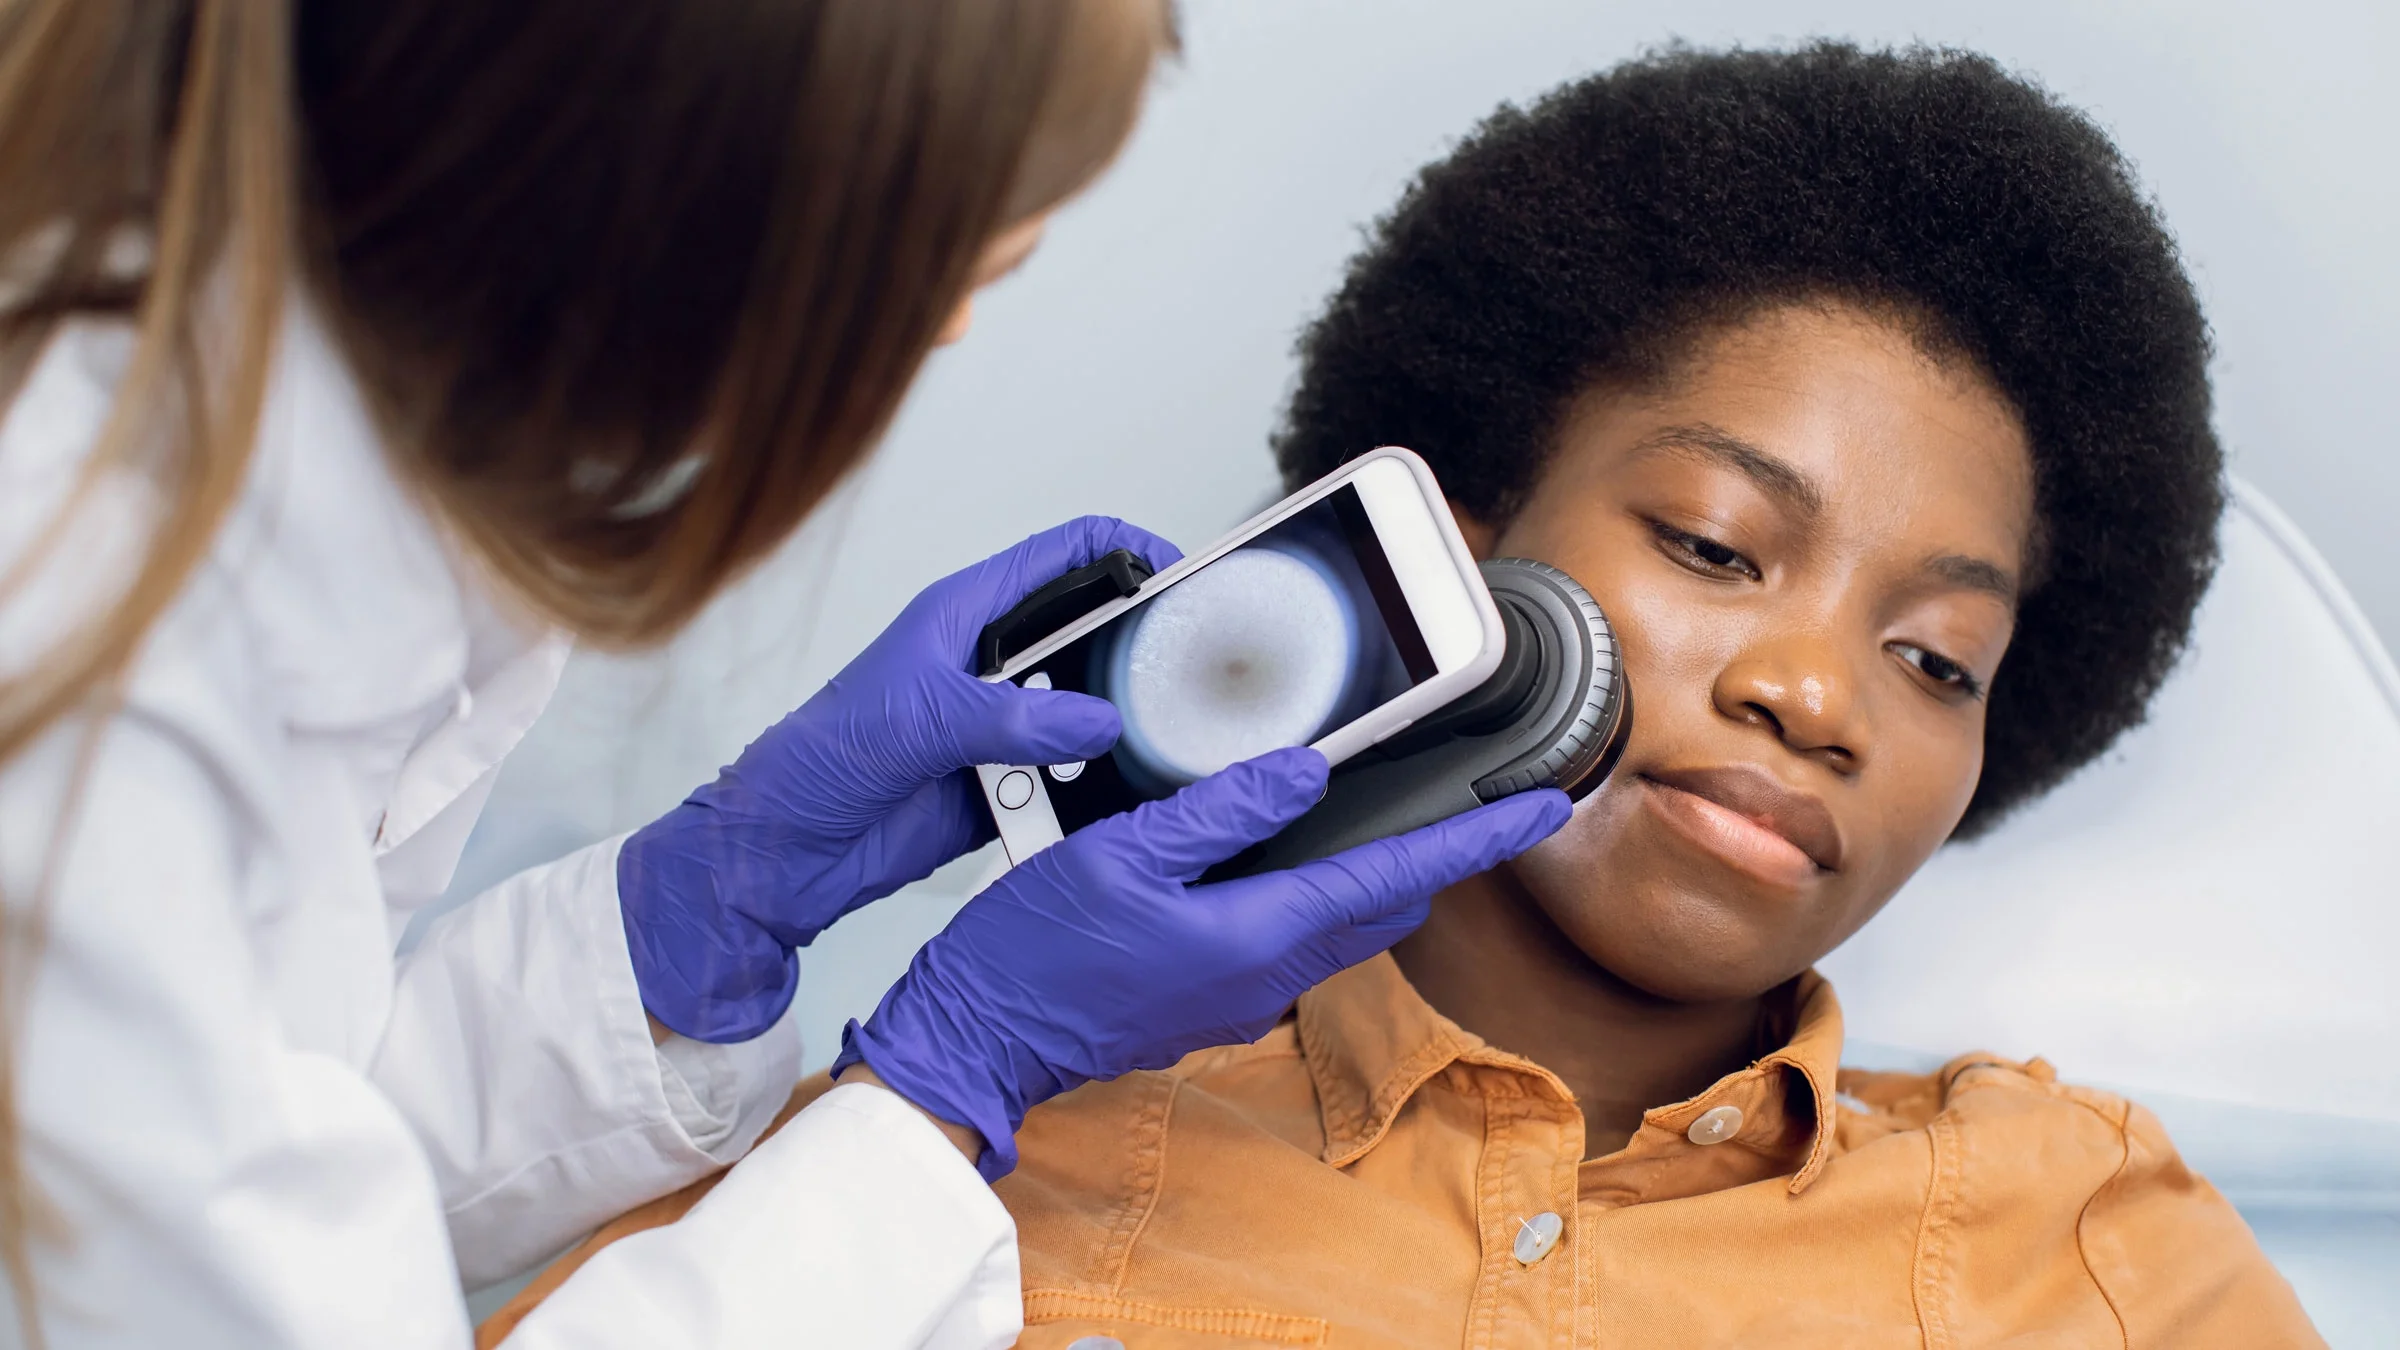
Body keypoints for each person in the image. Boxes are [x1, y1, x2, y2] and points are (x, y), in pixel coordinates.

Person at [491, 43, 2326, 1346]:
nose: (1813, 690)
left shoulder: (2081, 1236)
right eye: (1709, 542)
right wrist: (912, 1065)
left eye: (1937, 659)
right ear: (1462, 551)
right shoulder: (956, 1156)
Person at [0, 3, 1571, 1347]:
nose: (952, 329)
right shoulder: (95, 657)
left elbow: (244, 1146)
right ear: (684, 200)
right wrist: (949, 1083)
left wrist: (688, 921)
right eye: (960, 263)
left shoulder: (282, 485)